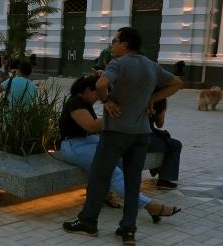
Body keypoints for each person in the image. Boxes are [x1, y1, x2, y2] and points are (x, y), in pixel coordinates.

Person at [62, 27, 183, 246]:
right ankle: (128, 229)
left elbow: (100, 85)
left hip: (116, 132)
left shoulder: (118, 63)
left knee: (99, 177)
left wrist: (106, 101)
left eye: (115, 41)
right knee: (132, 180)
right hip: (141, 134)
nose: (112, 45)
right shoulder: (151, 65)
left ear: (125, 44)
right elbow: (176, 83)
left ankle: (88, 222)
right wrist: (152, 99)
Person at [59, 75, 181, 223]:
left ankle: (106, 195)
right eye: (96, 94)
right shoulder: (75, 103)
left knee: (121, 159)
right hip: (73, 145)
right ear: (86, 90)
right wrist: (117, 118)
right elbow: (90, 126)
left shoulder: (84, 102)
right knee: (113, 172)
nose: (98, 98)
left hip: (87, 141)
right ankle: (151, 206)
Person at [146, 93, 182, 189]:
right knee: (175, 145)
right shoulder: (159, 100)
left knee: (165, 141)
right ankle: (165, 179)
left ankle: (157, 170)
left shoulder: (138, 94)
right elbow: (160, 124)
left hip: (130, 134)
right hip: (146, 138)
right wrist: (162, 110)